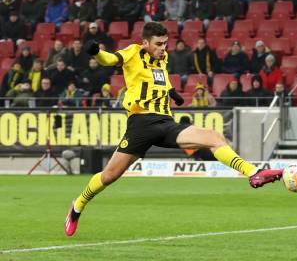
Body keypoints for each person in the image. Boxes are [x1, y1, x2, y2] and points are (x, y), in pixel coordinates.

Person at [64, 22, 284, 237]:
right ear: (145, 43)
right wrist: (96, 52)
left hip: (165, 122)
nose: (163, 48)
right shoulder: (133, 52)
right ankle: (78, 205)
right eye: (158, 44)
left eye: (165, 44)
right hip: (140, 124)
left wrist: (172, 92)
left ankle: (254, 173)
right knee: (110, 176)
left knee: (214, 137)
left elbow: (161, 79)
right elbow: (110, 59)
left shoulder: (163, 58)